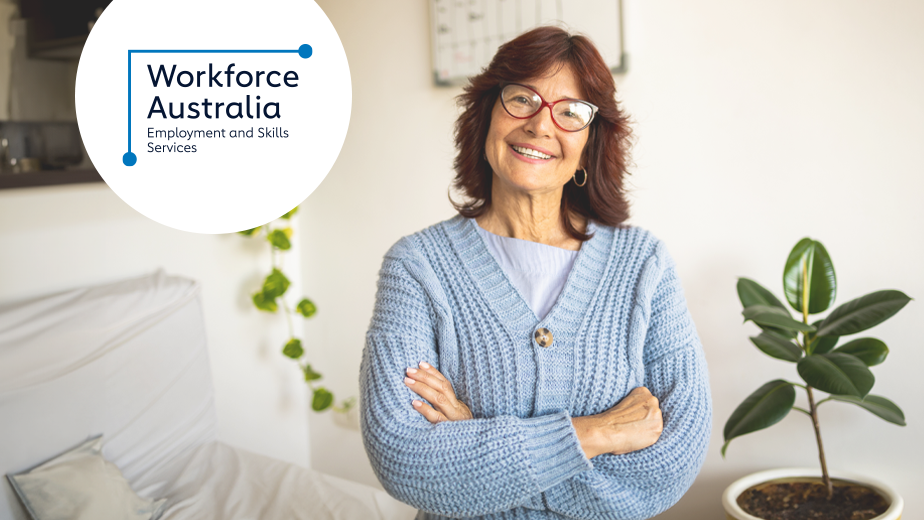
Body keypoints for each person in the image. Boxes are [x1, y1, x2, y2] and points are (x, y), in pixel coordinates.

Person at [360, 26, 711, 520]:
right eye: (521, 99)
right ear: (487, 116)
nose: (541, 125)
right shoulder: (418, 267)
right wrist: (598, 433)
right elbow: (403, 457)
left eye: (570, 112)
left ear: (591, 143)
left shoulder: (643, 264)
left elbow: (672, 462)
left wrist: (476, 438)